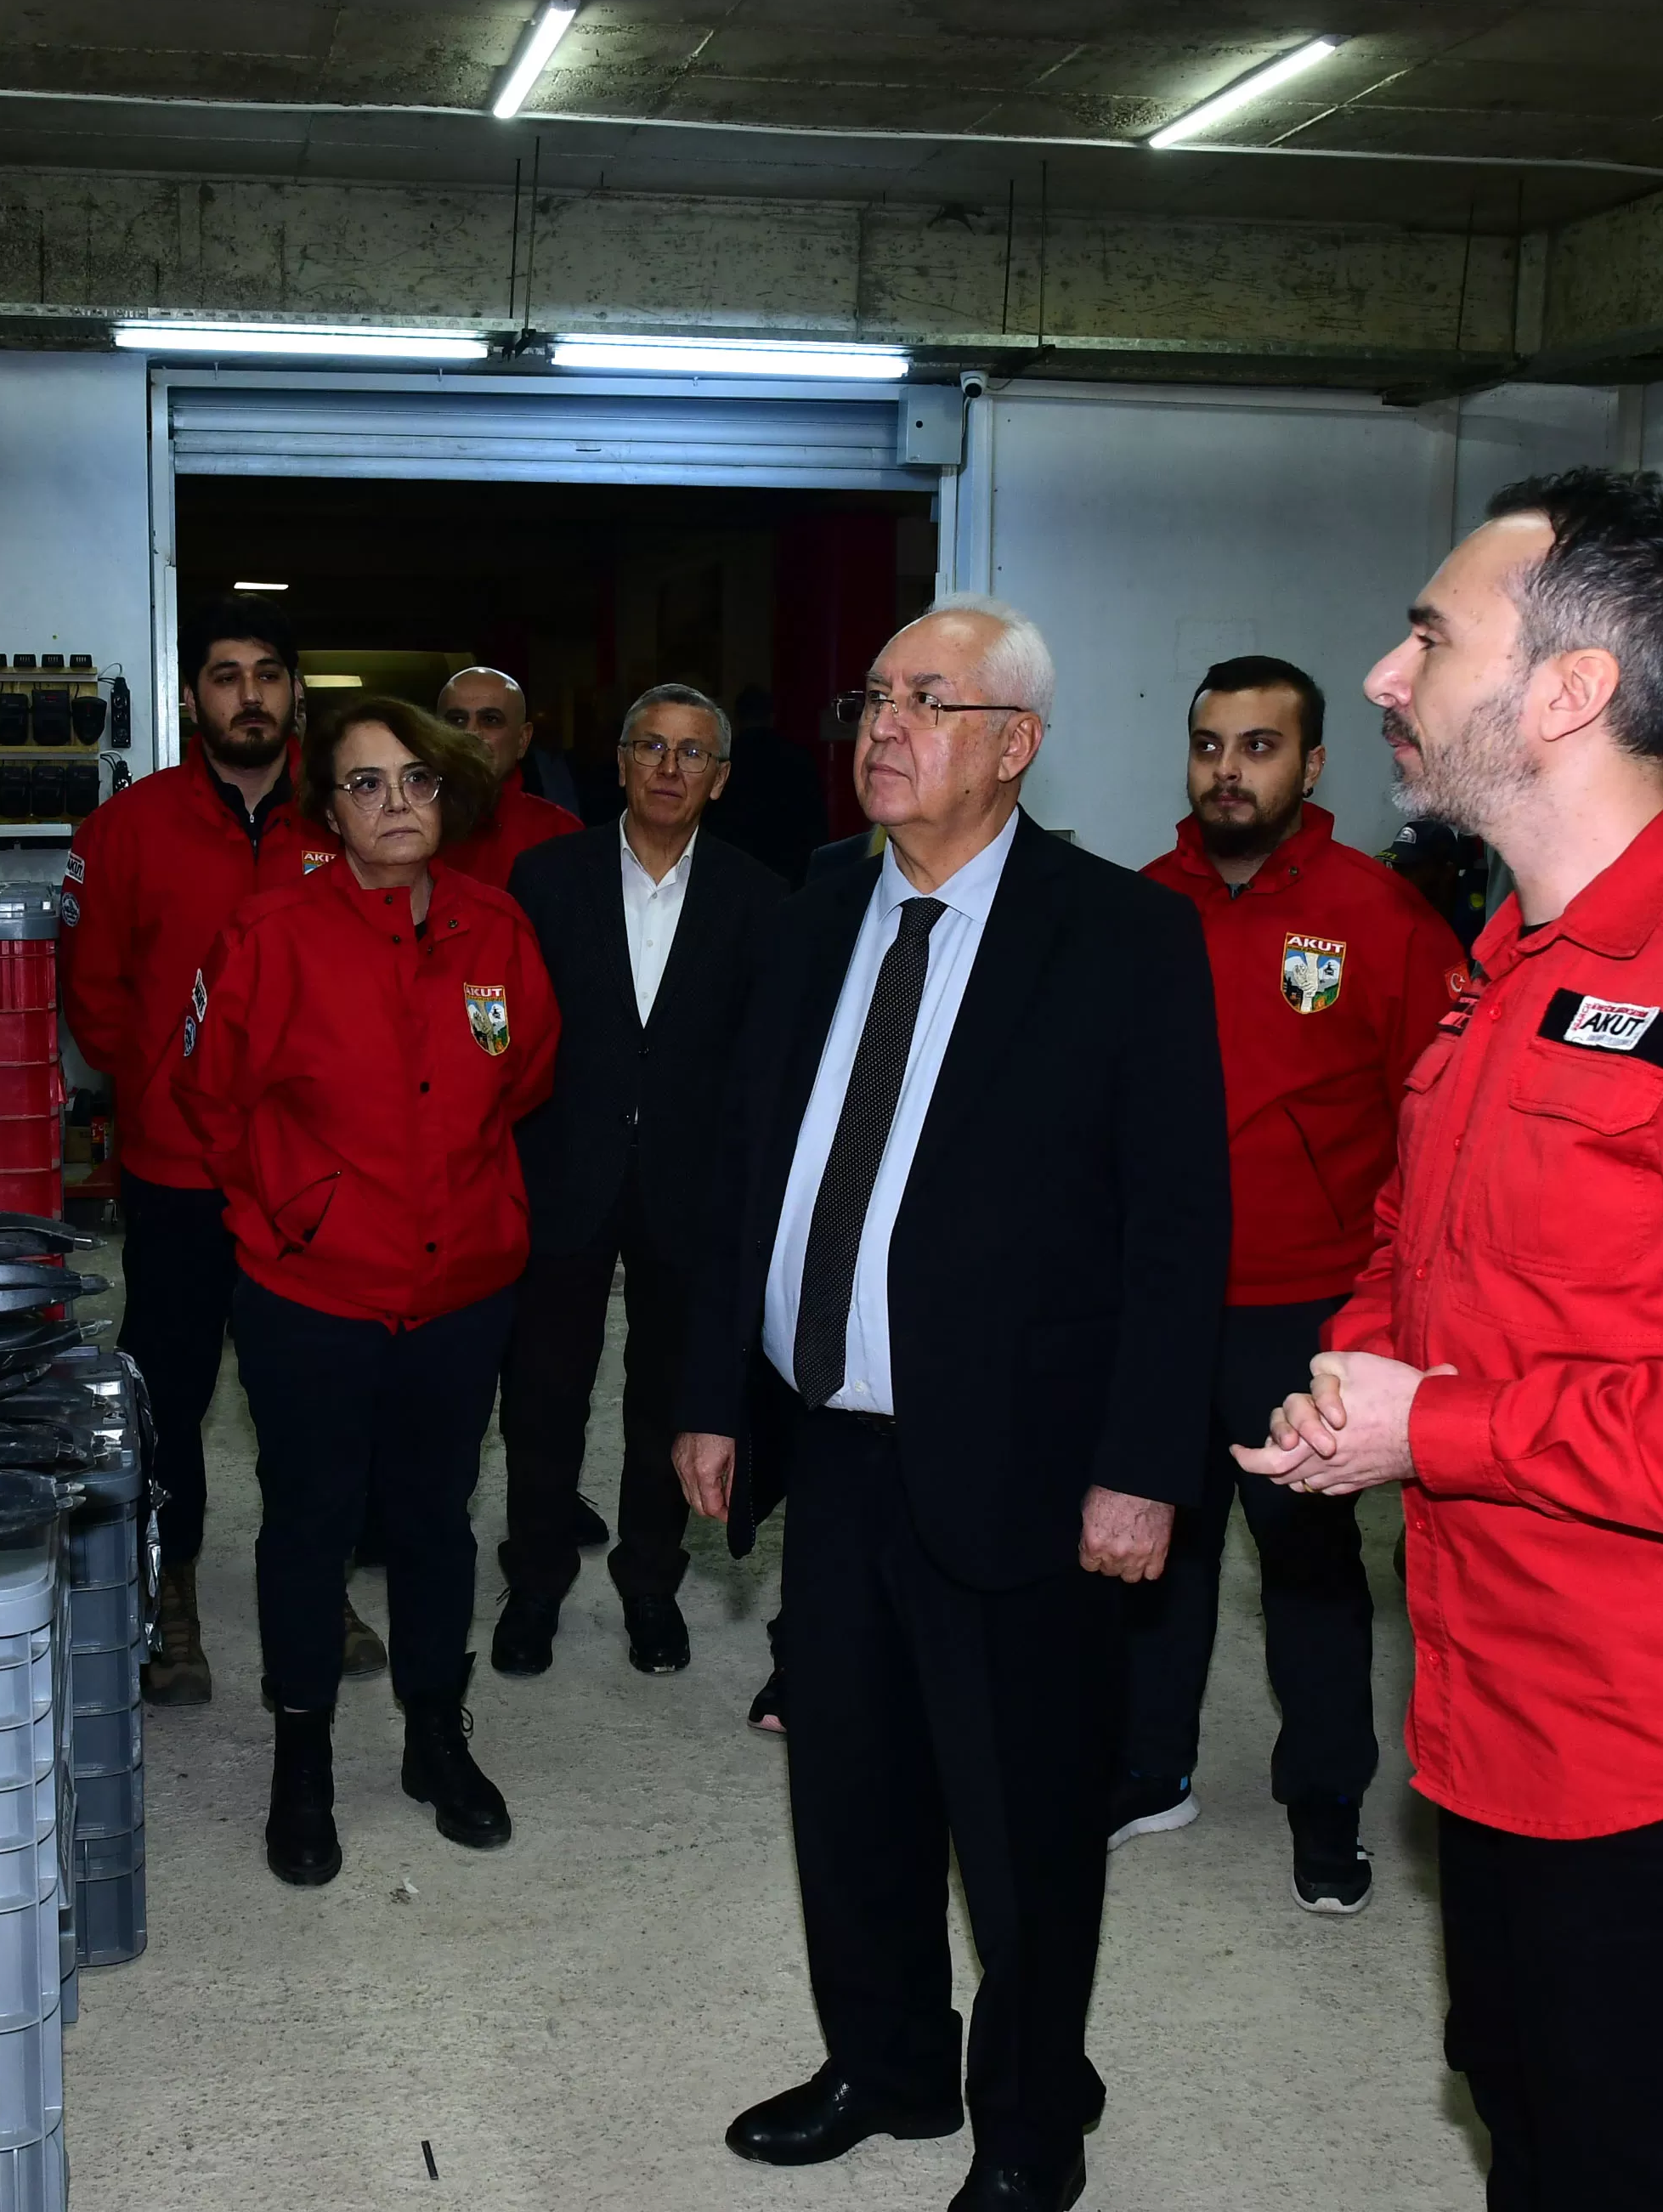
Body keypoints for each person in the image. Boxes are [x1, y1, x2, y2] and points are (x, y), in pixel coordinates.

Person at [1239, 469, 1663, 2212]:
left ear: (1566, 693)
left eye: (1428, 637)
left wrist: (1439, 1430)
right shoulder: (1517, 956)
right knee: (1525, 2112)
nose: (1389, 680)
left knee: (1629, 2159)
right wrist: (1361, 1368)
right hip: (1510, 1702)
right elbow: (1434, 1235)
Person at [678, 600, 1228, 2212]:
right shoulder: (817, 906)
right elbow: (748, 1167)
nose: (884, 724)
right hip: (830, 1438)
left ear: (1016, 742)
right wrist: (717, 1385)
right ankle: (888, 2060)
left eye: (930, 698)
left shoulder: (1120, 934)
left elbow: (1176, 1227)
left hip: (1025, 1456)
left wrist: (1142, 1470)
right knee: (848, 1787)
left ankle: (1031, 2115)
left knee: (1024, 1817)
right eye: (874, 694)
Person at [173, 695, 560, 1887]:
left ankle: (436, 1739)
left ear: (450, 794)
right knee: (309, 1526)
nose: (397, 805)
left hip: (462, 1292)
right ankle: (302, 1761)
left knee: (438, 1524)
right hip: (315, 1295)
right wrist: (293, 1213)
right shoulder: (270, 931)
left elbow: (525, 1079)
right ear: (327, 808)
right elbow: (211, 1097)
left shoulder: (499, 929)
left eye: (418, 782)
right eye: (367, 784)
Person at [1124, 653, 1463, 1913]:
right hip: (1159, 1301)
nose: (1229, 770)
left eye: (1259, 747)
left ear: (1312, 766)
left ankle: (1324, 1803)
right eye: (1211, 744)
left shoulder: (1381, 917)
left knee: (1312, 1576)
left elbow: (1436, 1125)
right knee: (1154, 1547)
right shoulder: (1138, 904)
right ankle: (1149, 1768)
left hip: (1308, 1309)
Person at [62, 599, 382, 1705]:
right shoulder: (131, 828)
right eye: (224, 674)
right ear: (191, 695)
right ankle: (175, 1593)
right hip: (177, 1177)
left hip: (316, 1179)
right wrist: (159, 1086)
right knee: (173, 1396)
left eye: (268, 674)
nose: (248, 693)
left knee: (316, 1397)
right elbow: (96, 999)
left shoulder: (346, 819)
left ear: (296, 693)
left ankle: (321, 1585)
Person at [495, 682, 783, 1678]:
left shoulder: (758, 898)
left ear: (721, 778)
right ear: (617, 763)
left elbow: (760, 1065)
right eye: (649, 748)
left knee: (669, 1400)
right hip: (564, 1175)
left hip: (689, 1191)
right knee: (542, 1396)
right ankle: (534, 1582)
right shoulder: (545, 878)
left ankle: (650, 1584)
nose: (668, 768)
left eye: (691, 753)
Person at [437, 666, 584, 887]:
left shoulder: (561, 833)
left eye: (490, 720)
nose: (471, 734)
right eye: (457, 720)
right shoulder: (405, 824)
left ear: (523, 740)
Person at [704, 685, 833, 887]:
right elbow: (815, 820)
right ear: (772, 716)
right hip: (789, 868)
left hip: (734, 870)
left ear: (737, 719)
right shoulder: (796, 757)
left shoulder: (725, 762)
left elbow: (712, 819)